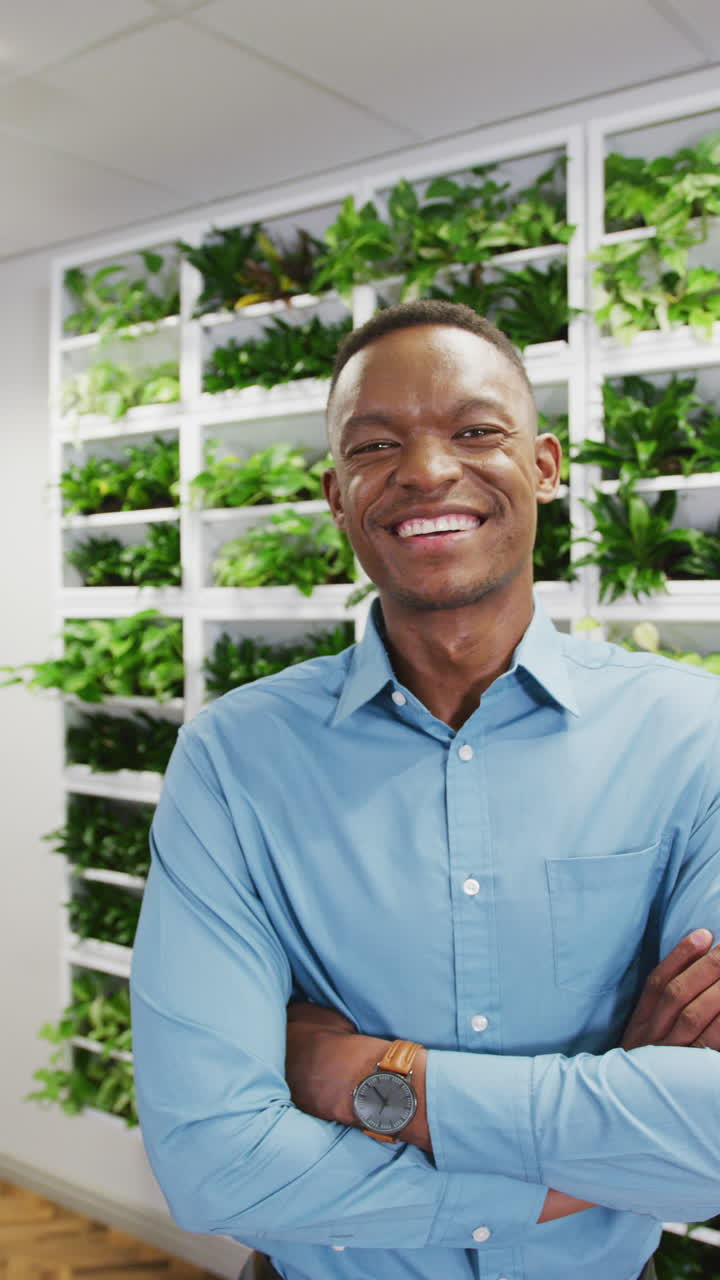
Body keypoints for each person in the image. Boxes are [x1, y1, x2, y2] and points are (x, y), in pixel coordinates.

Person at [130, 301, 720, 1280]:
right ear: (337, 492)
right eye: (375, 443)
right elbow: (217, 1164)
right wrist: (590, 1164)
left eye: (476, 430)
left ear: (545, 463)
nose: (428, 470)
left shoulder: (695, 737)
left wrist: (356, 1075)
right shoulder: (235, 760)